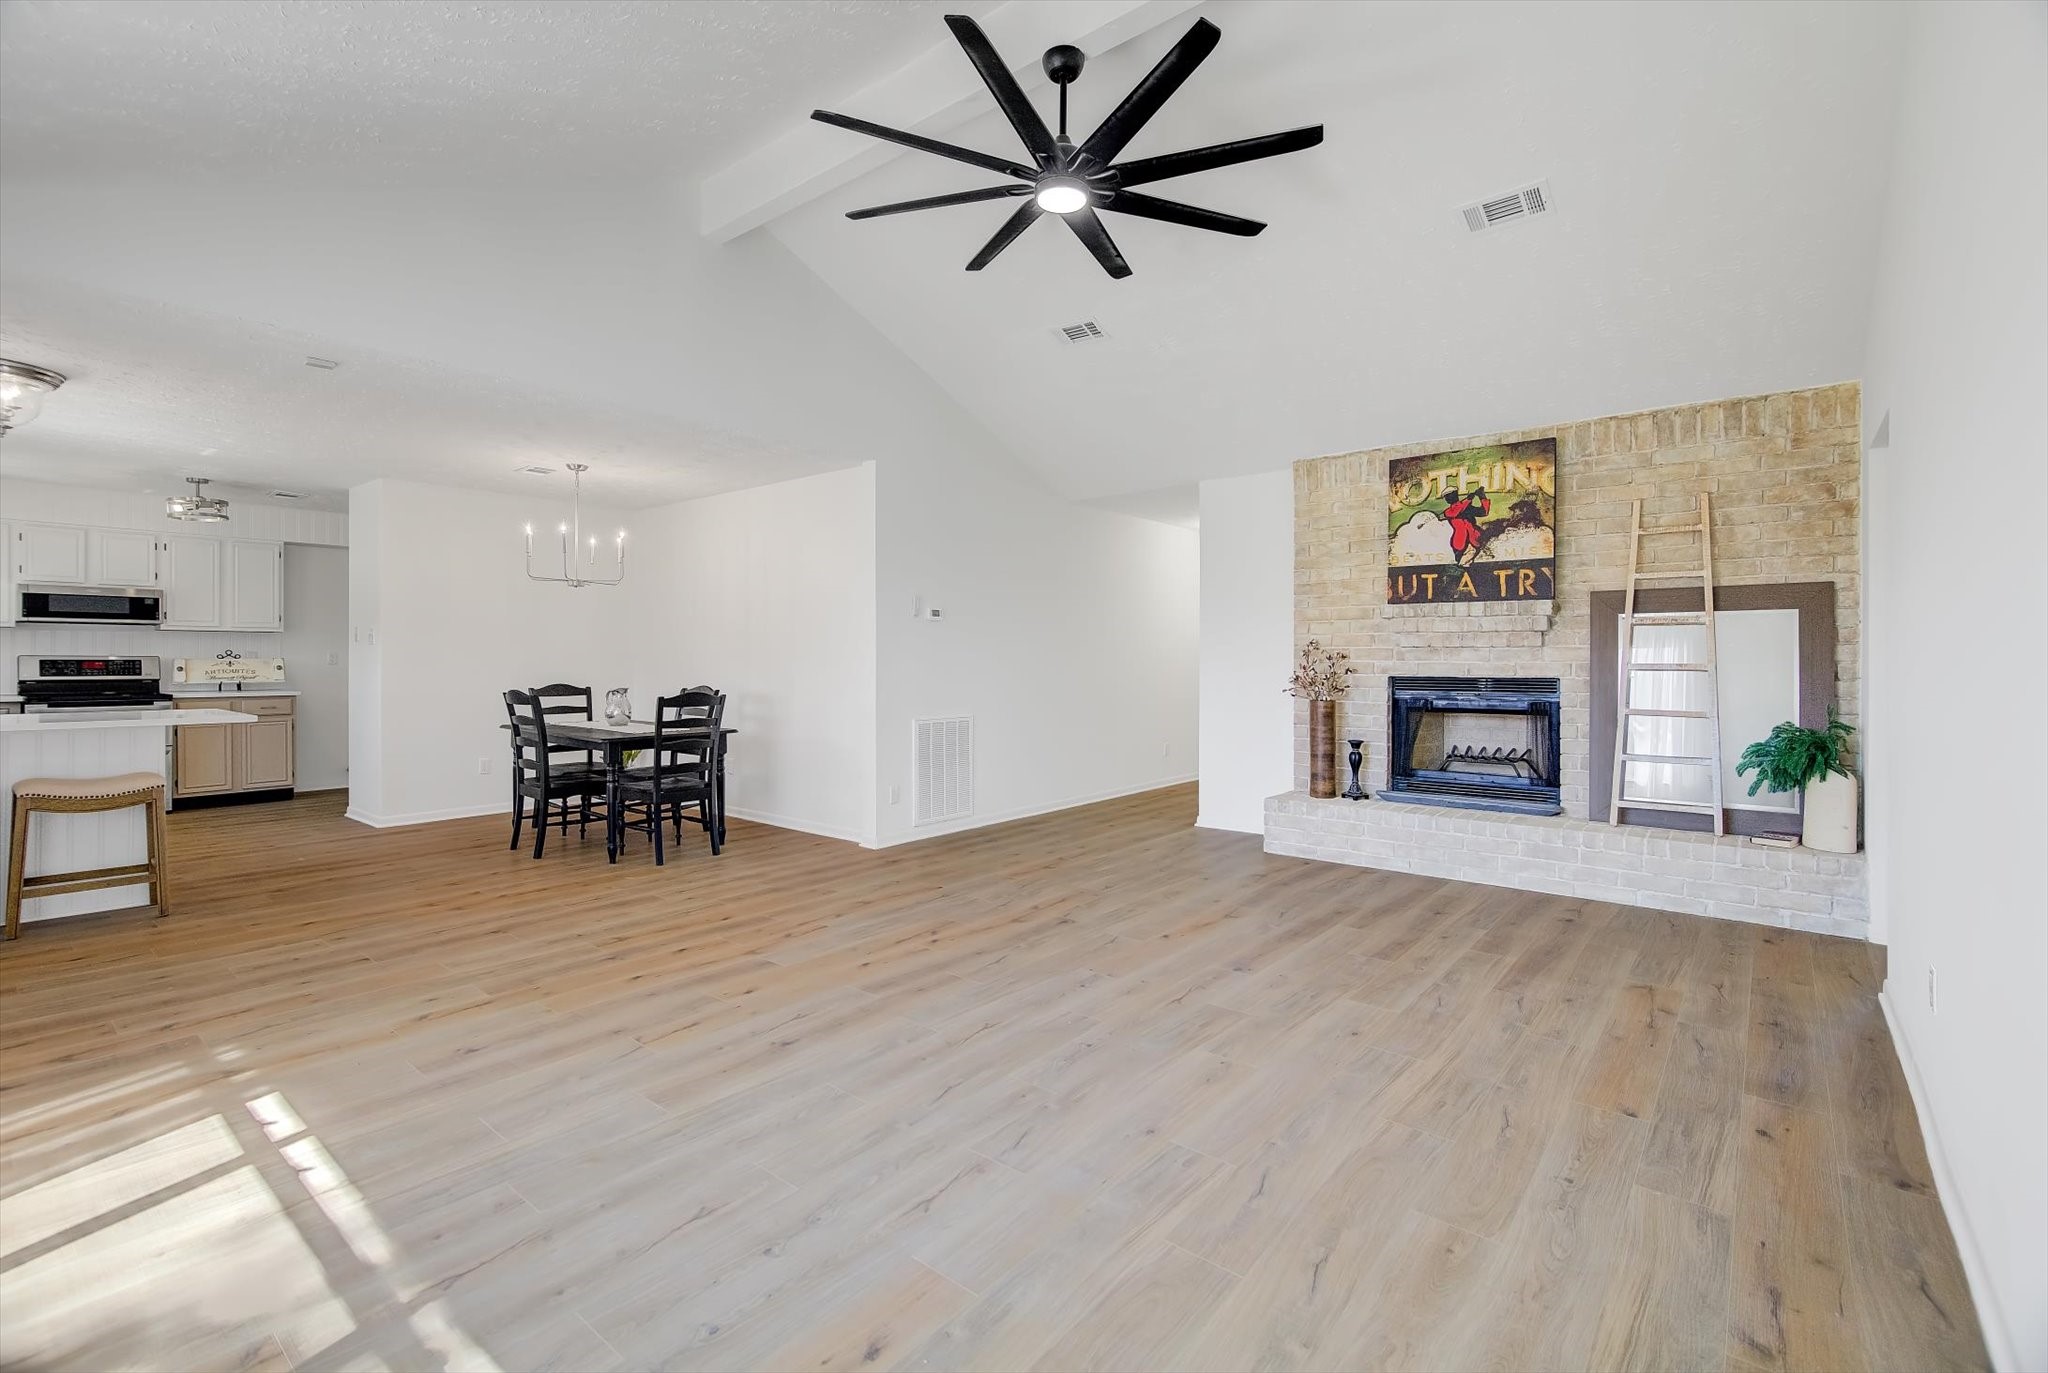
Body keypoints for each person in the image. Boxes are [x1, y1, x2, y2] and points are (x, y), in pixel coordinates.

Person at [1441, 486, 1492, 565]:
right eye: (1446, 497)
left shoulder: (1467, 507)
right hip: (1459, 543)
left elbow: (1483, 512)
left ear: (1456, 495)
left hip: (1474, 540)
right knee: (1461, 565)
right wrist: (1468, 499)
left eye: (1451, 495)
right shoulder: (1448, 511)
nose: (1448, 498)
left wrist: (1482, 497)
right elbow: (1456, 512)